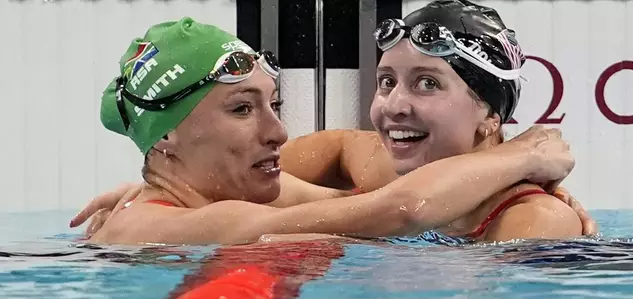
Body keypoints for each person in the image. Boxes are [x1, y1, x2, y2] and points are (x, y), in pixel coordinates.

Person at [79, 16, 576, 246]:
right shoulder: (153, 228)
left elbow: (351, 172)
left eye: (273, 104)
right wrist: (522, 154)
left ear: (492, 111)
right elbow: (395, 209)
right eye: (241, 110)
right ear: (166, 135)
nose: (279, 132)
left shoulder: (215, 194)